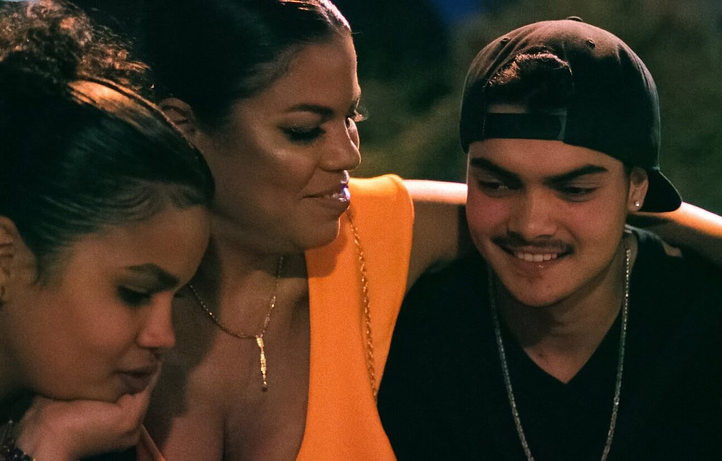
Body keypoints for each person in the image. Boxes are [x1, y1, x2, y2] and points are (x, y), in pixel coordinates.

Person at [128, 2, 722, 460]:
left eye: (353, 116)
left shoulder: (364, 230)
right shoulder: (99, 266)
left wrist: (639, 205)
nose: (349, 154)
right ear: (184, 127)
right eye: (305, 130)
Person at [378, 17, 722, 460]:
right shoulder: (417, 336)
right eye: (496, 185)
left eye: (574, 190)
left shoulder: (702, 324)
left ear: (636, 188)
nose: (531, 225)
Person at [0, 1, 213, 459]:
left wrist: (50, 444)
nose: (165, 337)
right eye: (133, 293)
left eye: (177, 295)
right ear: (2, 260)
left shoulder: (97, 428)